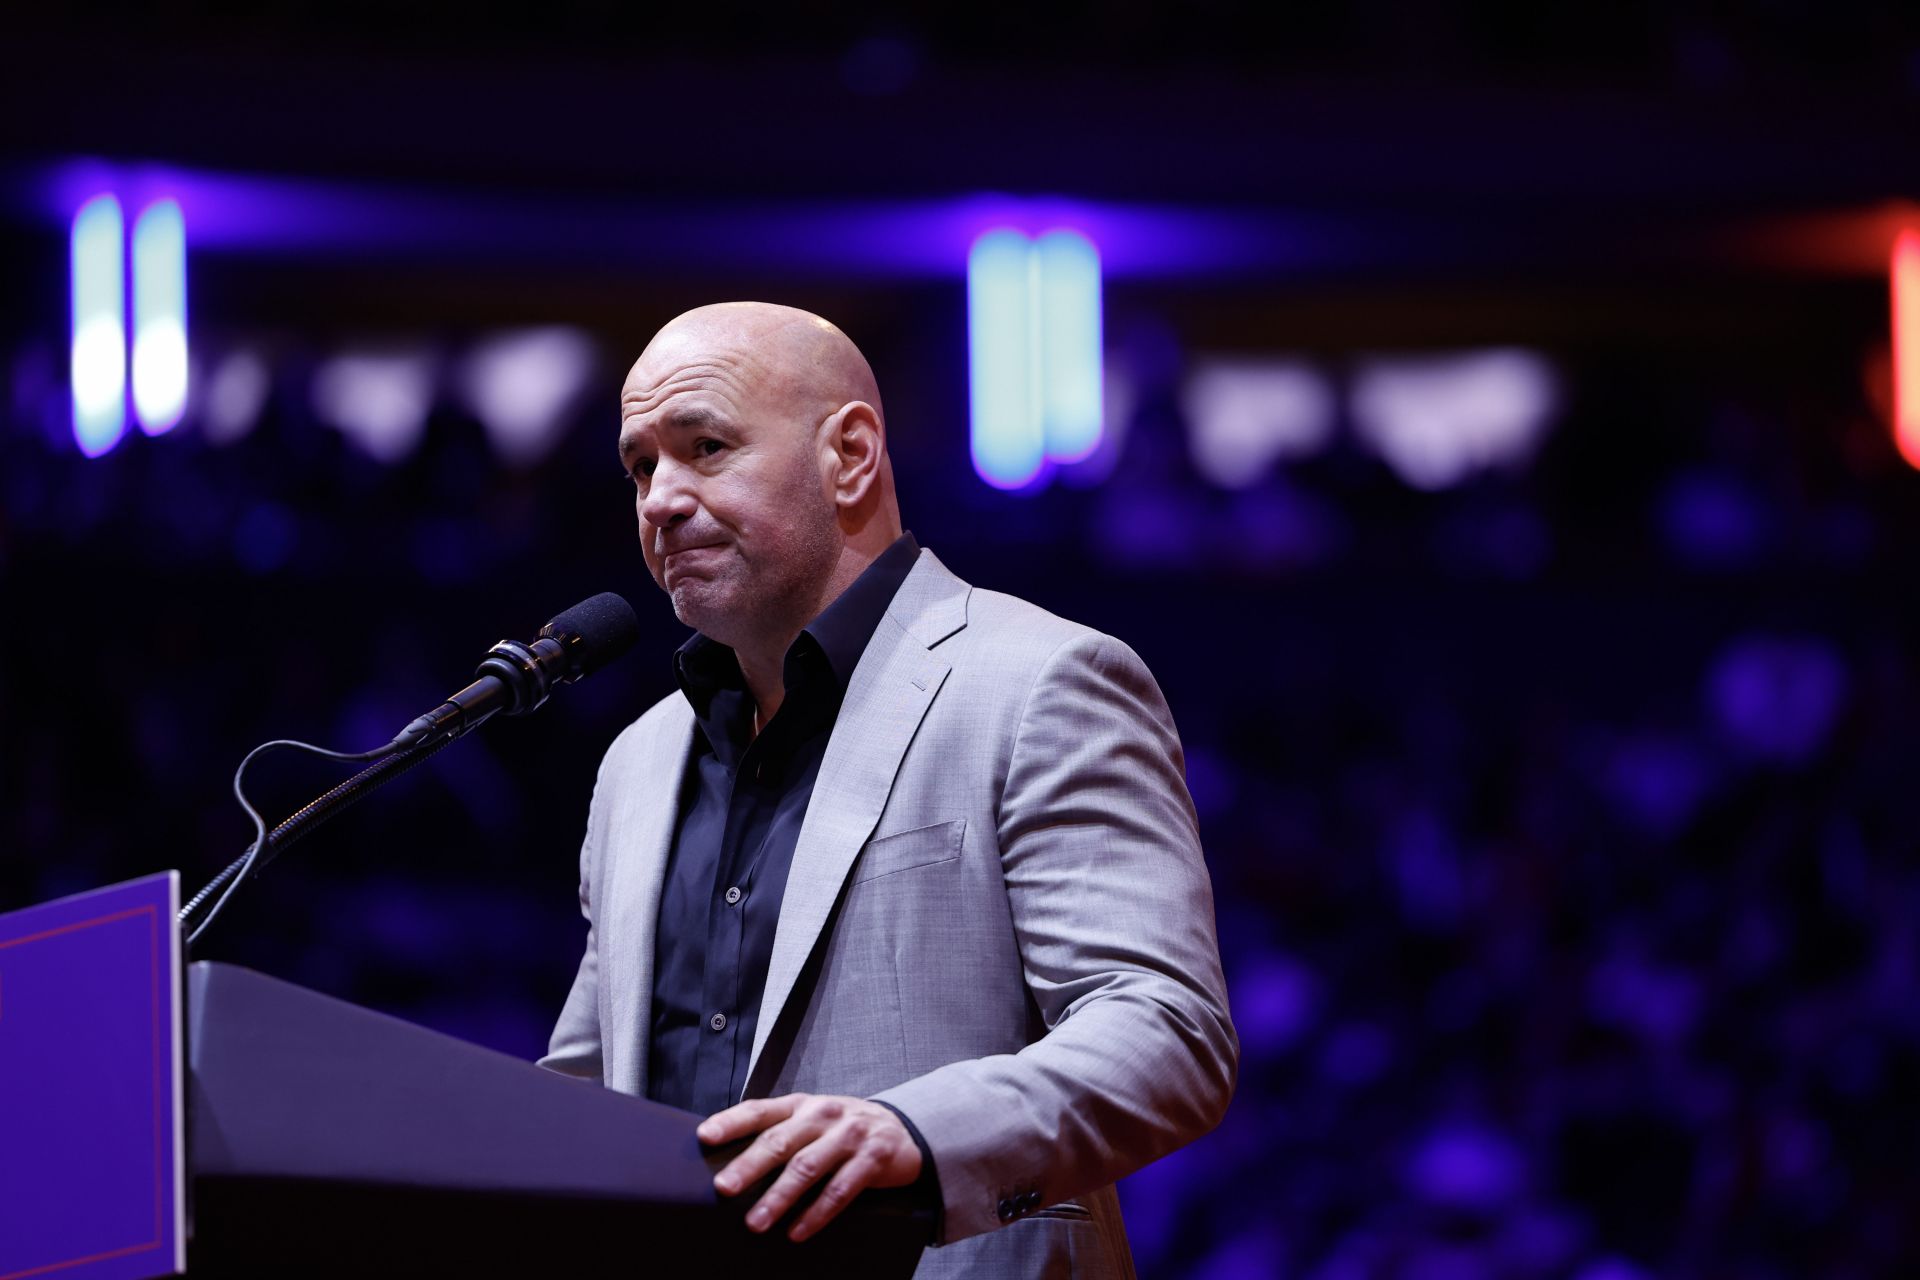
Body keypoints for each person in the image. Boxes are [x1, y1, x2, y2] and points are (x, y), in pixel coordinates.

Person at [541, 301, 1236, 1278]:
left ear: (852, 454)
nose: (660, 497)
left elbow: (1166, 1030)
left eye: (705, 446)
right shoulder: (640, 760)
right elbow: (581, 1089)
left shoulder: (1041, 681)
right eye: (642, 465)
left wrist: (915, 1132)